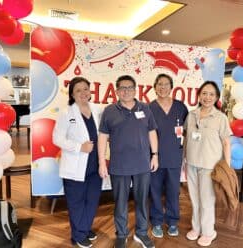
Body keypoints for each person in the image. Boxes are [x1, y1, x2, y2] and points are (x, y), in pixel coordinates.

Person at [98, 75, 159, 248]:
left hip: (142, 165)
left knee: (142, 200)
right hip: (119, 166)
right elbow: (103, 137)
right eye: (122, 88)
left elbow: (152, 132)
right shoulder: (109, 110)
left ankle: (141, 233)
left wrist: (155, 155)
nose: (126, 91)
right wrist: (102, 162)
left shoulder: (145, 108)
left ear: (135, 89)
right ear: (116, 91)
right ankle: (122, 234)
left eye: (130, 87)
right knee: (120, 203)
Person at [53, 77, 103, 248]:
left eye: (85, 89)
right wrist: (78, 147)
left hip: (95, 165)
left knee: (92, 200)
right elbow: (57, 138)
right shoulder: (66, 113)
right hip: (75, 166)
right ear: (72, 94)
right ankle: (79, 234)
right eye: (78, 90)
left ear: (90, 91)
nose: (83, 93)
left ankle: (84, 228)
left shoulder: (97, 109)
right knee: (76, 202)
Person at [183, 81, 232, 247]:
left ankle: (208, 232)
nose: (207, 97)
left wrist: (227, 167)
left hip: (210, 166)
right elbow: (187, 138)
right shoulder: (191, 115)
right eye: (204, 93)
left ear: (217, 97)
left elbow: (226, 143)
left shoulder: (221, 117)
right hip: (191, 163)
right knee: (195, 199)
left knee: (207, 200)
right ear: (199, 95)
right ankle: (196, 228)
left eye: (211, 94)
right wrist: (184, 159)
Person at [149, 74, 188, 238]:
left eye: (166, 84)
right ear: (155, 87)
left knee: (173, 192)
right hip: (154, 158)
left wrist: (186, 155)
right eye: (159, 84)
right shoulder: (149, 108)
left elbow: (188, 131)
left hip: (174, 157)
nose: (162, 87)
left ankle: (172, 222)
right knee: (155, 191)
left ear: (171, 87)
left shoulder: (180, 107)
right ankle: (157, 222)